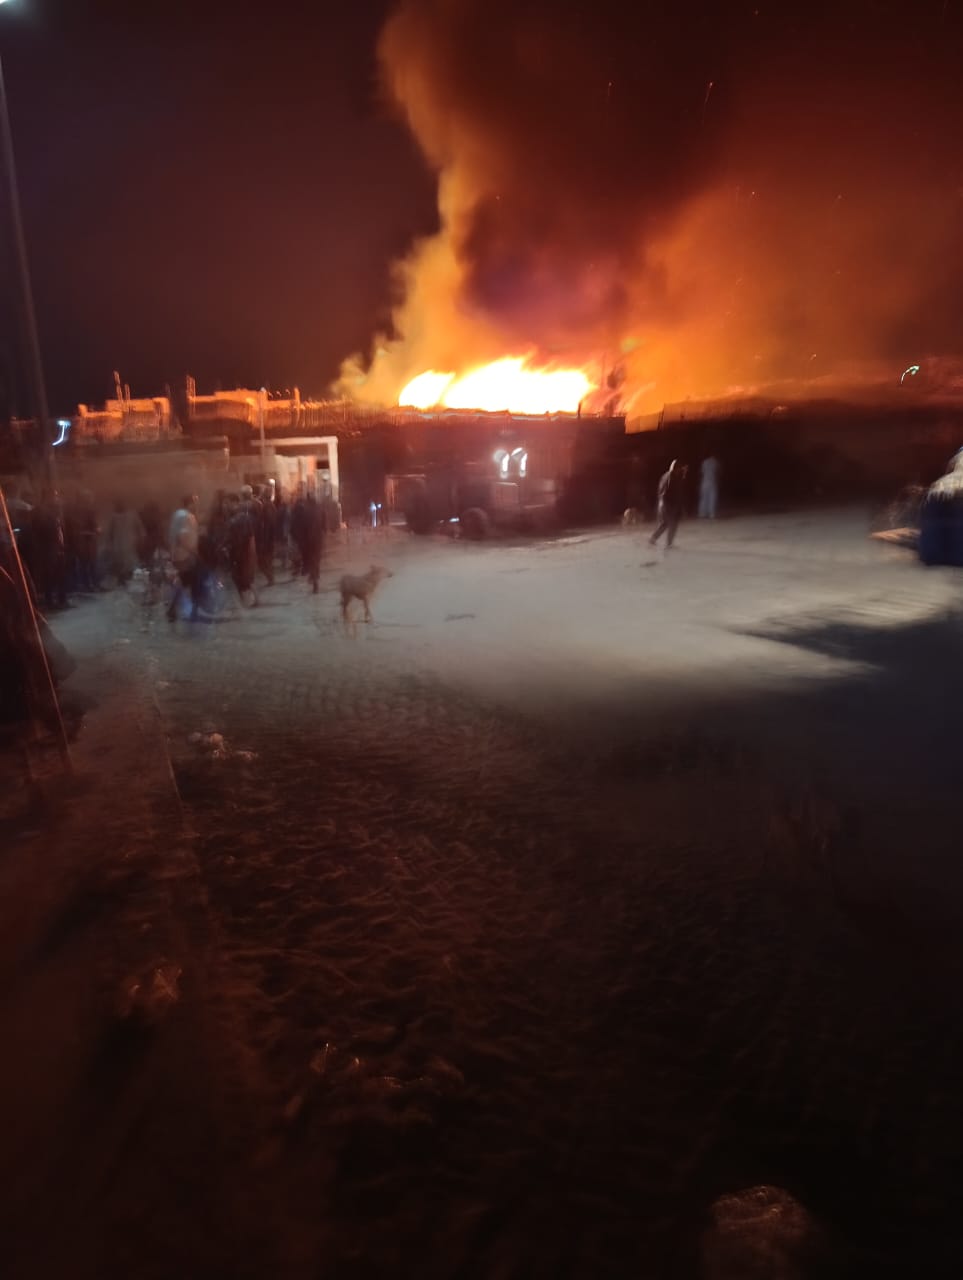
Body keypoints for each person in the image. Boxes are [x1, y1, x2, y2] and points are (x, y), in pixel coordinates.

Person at [167, 495, 200, 621]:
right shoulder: (188, 517)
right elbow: (183, 537)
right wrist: (194, 551)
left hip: (177, 554)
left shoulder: (177, 514)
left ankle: (173, 609)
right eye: (195, 502)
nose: (196, 505)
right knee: (190, 581)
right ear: (190, 503)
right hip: (186, 555)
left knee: (183, 581)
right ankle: (191, 611)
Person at [226, 493, 258, 606]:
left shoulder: (237, 519)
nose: (227, 506)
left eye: (228, 503)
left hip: (240, 553)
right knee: (244, 577)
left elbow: (246, 537)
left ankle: (249, 600)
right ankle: (251, 599)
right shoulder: (243, 517)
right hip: (243, 552)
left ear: (234, 503)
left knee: (241, 577)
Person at [649, 460, 686, 550]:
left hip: (662, 503)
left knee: (664, 523)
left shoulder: (665, 475)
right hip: (668, 503)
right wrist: (676, 505)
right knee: (673, 523)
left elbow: (661, 489)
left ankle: (653, 538)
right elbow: (674, 490)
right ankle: (669, 543)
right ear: (677, 469)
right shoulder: (673, 477)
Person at [106, 498, 144, 585]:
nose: (120, 506)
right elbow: (109, 533)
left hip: (130, 545)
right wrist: (109, 545)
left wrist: (141, 540)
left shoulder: (132, 515)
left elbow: (141, 529)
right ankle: (121, 581)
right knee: (119, 564)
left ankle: (135, 581)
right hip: (118, 545)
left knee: (132, 564)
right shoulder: (113, 517)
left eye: (121, 504)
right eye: (118, 504)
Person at [301, 491, 325, 593]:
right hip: (318, 539)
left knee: (312, 559)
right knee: (316, 559)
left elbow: (303, 526)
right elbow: (324, 524)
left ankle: (314, 579)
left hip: (309, 539)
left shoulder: (305, 510)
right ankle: (314, 577)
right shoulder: (320, 508)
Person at [699, 455, 720, 519]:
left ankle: (702, 513)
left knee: (704, 498)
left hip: (704, 482)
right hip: (712, 481)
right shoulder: (716, 462)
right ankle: (711, 513)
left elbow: (702, 472)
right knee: (712, 498)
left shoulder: (704, 462)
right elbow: (718, 472)